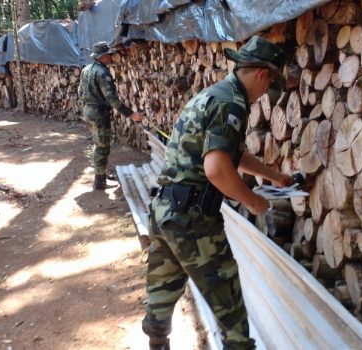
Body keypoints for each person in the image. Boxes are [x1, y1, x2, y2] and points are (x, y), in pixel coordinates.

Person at [143, 36, 293, 350]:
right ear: (264, 75)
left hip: (163, 209)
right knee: (231, 312)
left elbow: (230, 154)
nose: (265, 93)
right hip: (193, 221)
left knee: (163, 287)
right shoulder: (233, 103)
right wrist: (252, 201)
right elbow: (216, 169)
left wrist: (274, 176)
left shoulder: (213, 95)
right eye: (269, 86)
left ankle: (157, 344)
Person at [78, 41, 142, 190]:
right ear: (103, 56)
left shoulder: (86, 70)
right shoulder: (102, 73)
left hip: (88, 110)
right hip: (99, 112)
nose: (112, 57)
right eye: (109, 55)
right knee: (103, 147)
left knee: (98, 143)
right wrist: (131, 114)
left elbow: (80, 93)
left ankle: (101, 174)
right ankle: (100, 182)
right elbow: (112, 99)